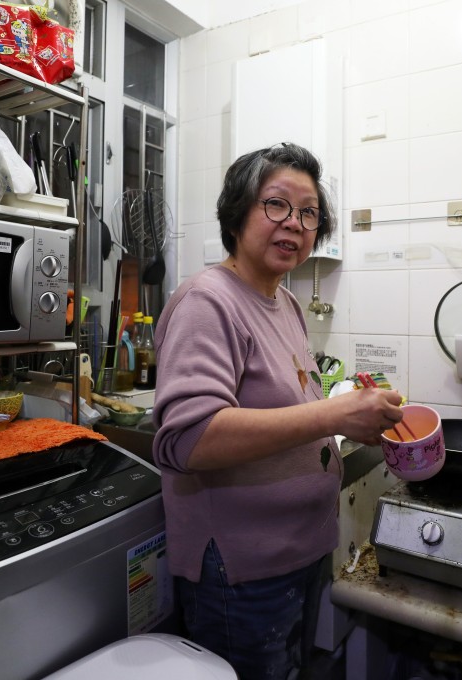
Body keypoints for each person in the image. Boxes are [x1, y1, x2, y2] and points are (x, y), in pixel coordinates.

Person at [151, 142, 405, 679]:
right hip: (241, 570)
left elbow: (293, 401)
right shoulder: (208, 300)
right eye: (277, 205)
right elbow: (189, 440)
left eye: (309, 212)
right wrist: (336, 418)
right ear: (237, 213)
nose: (294, 223)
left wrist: (362, 415)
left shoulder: (284, 301)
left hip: (301, 550)